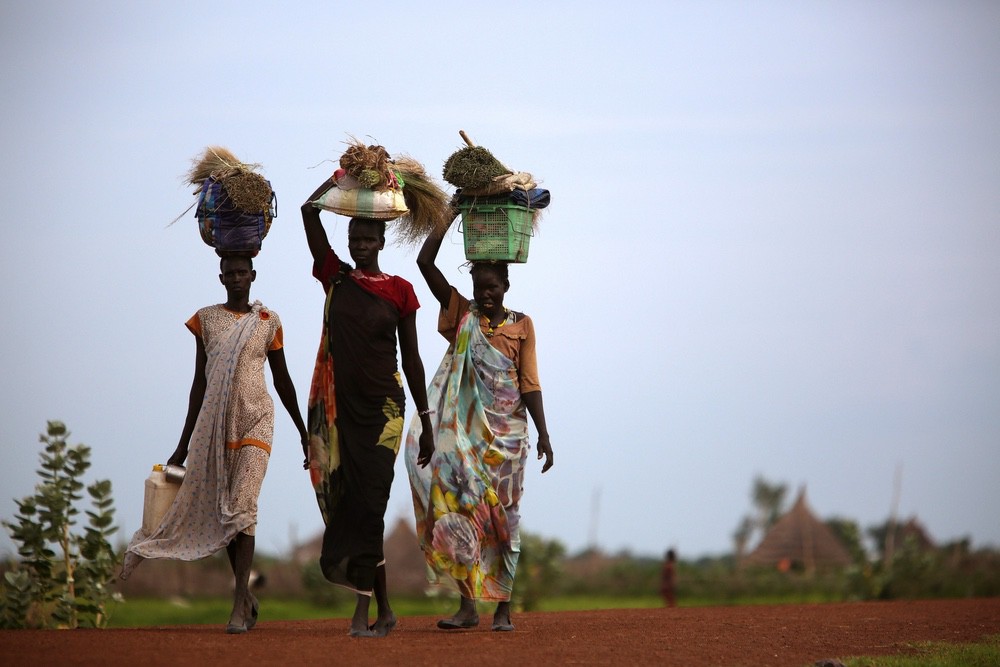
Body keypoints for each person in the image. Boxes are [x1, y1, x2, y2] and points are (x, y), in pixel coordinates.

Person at [121, 253, 310, 635]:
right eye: (230, 273)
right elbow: (199, 384)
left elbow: (283, 381)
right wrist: (182, 445)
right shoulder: (206, 320)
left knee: (243, 506)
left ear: (253, 275)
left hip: (257, 421)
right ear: (221, 277)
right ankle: (247, 595)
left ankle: (238, 605)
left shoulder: (267, 321)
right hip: (215, 428)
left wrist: (305, 434)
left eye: (243, 272)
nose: (237, 278)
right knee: (225, 513)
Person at [404, 220, 554, 633]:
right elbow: (424, 261)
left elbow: (529, 382)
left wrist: (544, 433)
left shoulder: (522, 325)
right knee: (459, 512)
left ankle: (503, 607)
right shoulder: (462, 316)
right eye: (479, 287)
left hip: (508, 437)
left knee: (505, 519)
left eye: (493, 287)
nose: (486, 295)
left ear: (506, 284)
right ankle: (468, 605)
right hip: (464, 436)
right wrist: (448, 214)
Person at [301, 176, 435, 638]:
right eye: (354, 238)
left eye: (367, 238)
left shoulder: (400, 291)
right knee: (356, 506)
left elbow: (413, 359)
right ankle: (387, 610)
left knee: (371, 504)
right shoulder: (335, 278)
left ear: (381, 239)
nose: (360, 245)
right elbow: (307, 212)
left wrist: (428, 419)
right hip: (342, 415)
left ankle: (362, 612)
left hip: (385, 413)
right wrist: (341, 179)